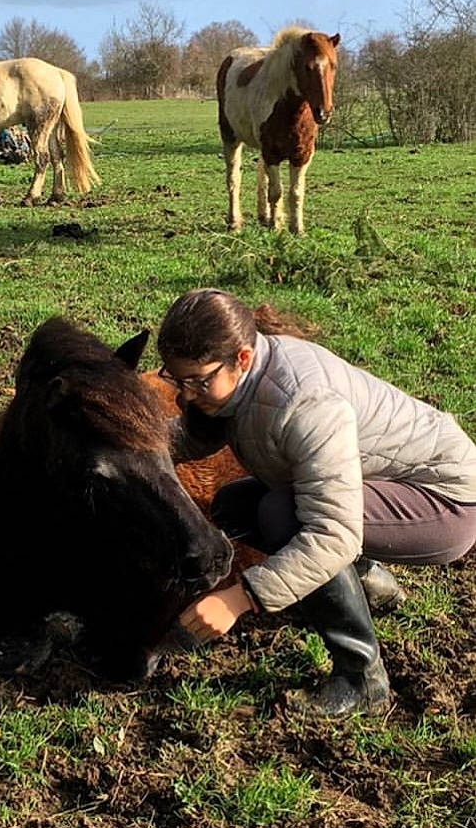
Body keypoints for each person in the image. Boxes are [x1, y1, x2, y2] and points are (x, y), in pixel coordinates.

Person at [157, 288, 476, 716]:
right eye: (176, 380)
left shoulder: (304, 402)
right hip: (376, 486)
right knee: (236, 506)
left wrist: (240, 597)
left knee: (283, 515)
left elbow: (334, 534)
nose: (186, 395)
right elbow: (193, 437)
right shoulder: (236, 385)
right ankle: (367, 585)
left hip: (445, 502)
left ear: (243, 359)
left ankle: (362, 678)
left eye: (198, 381)